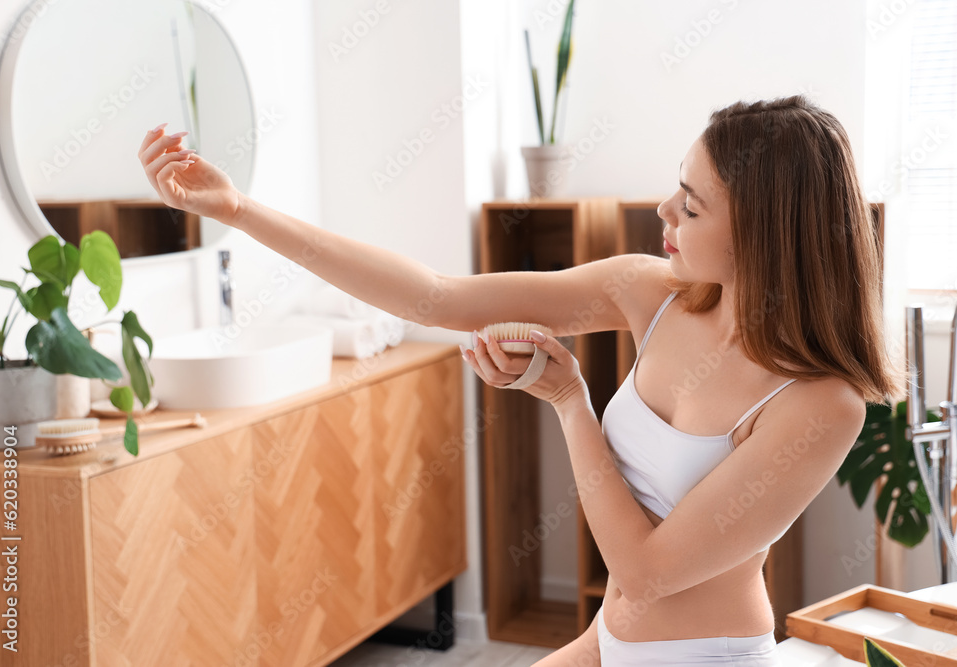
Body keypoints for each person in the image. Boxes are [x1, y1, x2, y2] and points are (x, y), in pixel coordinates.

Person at [138, 94, 903, 666]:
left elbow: (643, 574)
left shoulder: (819, 403)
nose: (664, 208)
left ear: (763, 233)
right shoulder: (654, 293)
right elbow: (434, 296)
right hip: (607, 645)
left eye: (693, 205)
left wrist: (571, 401)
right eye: (678, 184)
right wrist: (239, 211)